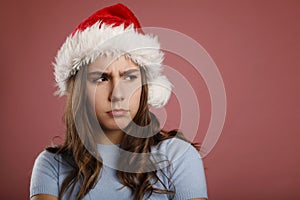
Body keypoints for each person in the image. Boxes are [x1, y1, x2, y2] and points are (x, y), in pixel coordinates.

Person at [30, 3, 208, 200]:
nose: (117, 95)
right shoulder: (51, 165)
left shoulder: (178, 157)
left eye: (129, 77)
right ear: (79, 89)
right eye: (101, 78)